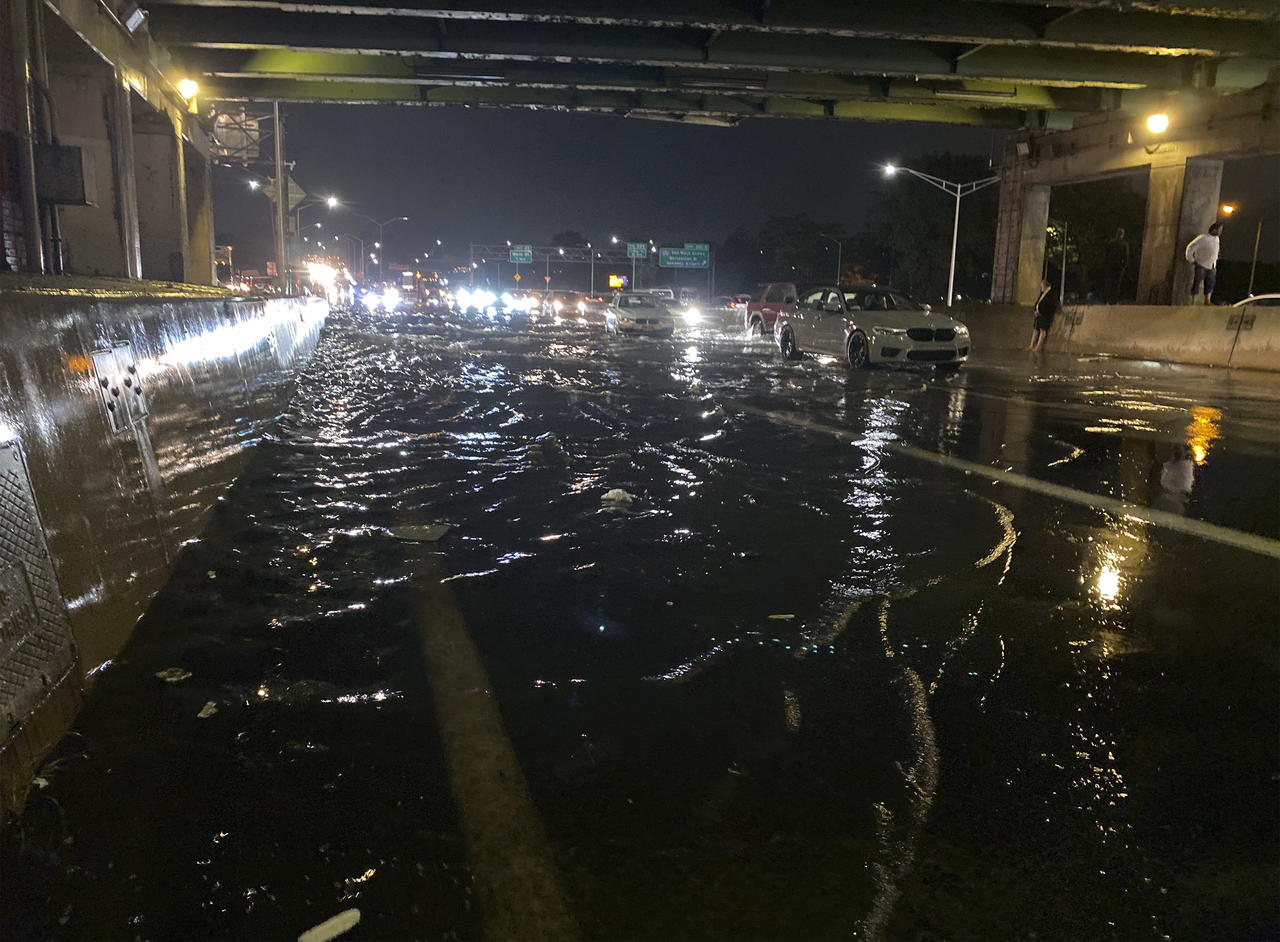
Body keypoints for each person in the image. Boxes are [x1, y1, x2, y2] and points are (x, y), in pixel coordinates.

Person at [1184, 222, 1222, 304]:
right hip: (1202, 264)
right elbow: (1190, 247)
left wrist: (1217, 256)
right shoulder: (1203, 238)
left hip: (1212, 266)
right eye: (1219, 230)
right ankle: (1192, 302)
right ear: (1214, 230)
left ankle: (1207, 301)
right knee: (1197, 283)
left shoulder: (1217, 239)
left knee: (1210, 284)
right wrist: (1191, 259)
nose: (1220, 232)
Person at [1028, 278, 1057, 352]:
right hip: (1038, 314)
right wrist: (1036, 310)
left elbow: (1050, 306)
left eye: (1042, 286)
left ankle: (1038, 347)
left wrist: (1042, 312)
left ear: (1045, 285)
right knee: (1035, 329)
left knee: (1042, 331)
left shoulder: (1051, 294)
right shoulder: (1042, 293)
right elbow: (1038, 302)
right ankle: (1031, 345)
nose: (1041, 288)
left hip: (1045, 315)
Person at [1103, 227, 1128, 304]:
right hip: (1119, 267)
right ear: (1122, 235)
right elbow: (1126, 257)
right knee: (1116, 284)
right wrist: (1124, 266)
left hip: (1110, 266)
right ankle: (1114, 300)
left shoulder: (1111, 243)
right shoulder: (1124, 245)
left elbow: (1106, 255)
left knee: (1109, 283)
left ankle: (1106, 299)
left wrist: (1106, 264)